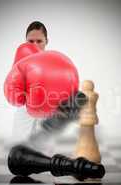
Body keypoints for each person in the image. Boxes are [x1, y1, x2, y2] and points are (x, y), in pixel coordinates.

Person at [6, 21, 86, 155]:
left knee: (44, 151)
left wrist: (67, 105)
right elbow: (13, 90)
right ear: (25, 41)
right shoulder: (22, 59)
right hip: (24, 112)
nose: (35, 45)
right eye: (31, 41)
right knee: (17, 149)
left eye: (39, 41)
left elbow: (67, 89)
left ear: (46, 41)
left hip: (46, 111)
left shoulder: (54, 61)